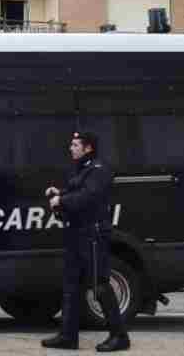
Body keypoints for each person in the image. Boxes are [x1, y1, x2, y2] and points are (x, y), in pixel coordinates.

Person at [42, 132, 130, 353]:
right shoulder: (84, 168)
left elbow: (88, 197)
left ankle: (119, 336)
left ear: (87, 148)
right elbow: (76, 190)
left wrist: (60, 200)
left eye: (75, 145)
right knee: (70, 286)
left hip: (92, 236)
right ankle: (68, 336)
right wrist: (59, 193)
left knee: (99, 286)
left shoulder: (99, 170)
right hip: (76, 234)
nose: (71, 148)